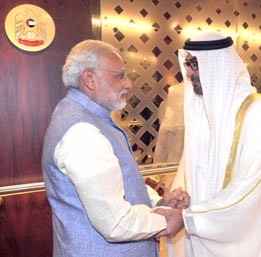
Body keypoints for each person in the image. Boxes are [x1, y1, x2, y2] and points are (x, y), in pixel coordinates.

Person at [42, 39, 190, 257]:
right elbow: (115, 222)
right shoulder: (82, 132)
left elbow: (117, 184)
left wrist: (159, 201)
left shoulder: (88, 117)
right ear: (90, 79)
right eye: (119, 75)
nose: (128, 83)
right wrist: (167, 221)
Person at [167, 31, 261, 257]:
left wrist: (191, 219)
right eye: (188, 64)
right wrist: (179, 196)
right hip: (199, 236)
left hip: (243, 241)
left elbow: (251, 185)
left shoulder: (258, 110)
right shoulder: (200, 111)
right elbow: (189, 167)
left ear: (217, 65)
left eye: (196, 64)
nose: (190, 73)